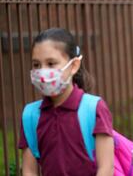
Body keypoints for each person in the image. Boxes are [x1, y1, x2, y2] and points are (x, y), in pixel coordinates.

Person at [19, 28, 114, 175]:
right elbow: (29, 171)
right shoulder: (30, 115)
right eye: (36, 65)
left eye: (51, 63)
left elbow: (106, 169)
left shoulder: (93, 108)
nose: (42, 72)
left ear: (74, 66)